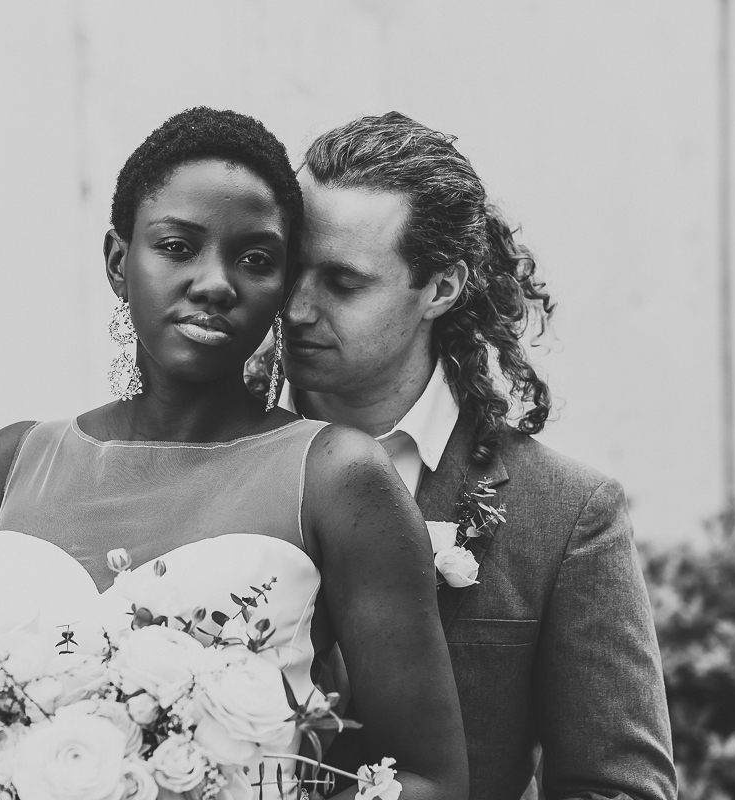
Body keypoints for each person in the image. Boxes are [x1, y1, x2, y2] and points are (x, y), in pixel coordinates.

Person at [0, 108, 468, 800]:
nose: (217, 282)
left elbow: (429, 779)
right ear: (118, 260)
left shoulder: (337, 476)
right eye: (178, 245)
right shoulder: (7, 465)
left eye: (256, 260)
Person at [276, 112, 677, 800]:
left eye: (342, 284)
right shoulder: (207, 461)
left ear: (442, 288)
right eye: (289, 268)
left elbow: (619, 789)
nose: (297, 309)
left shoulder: (566, 514)